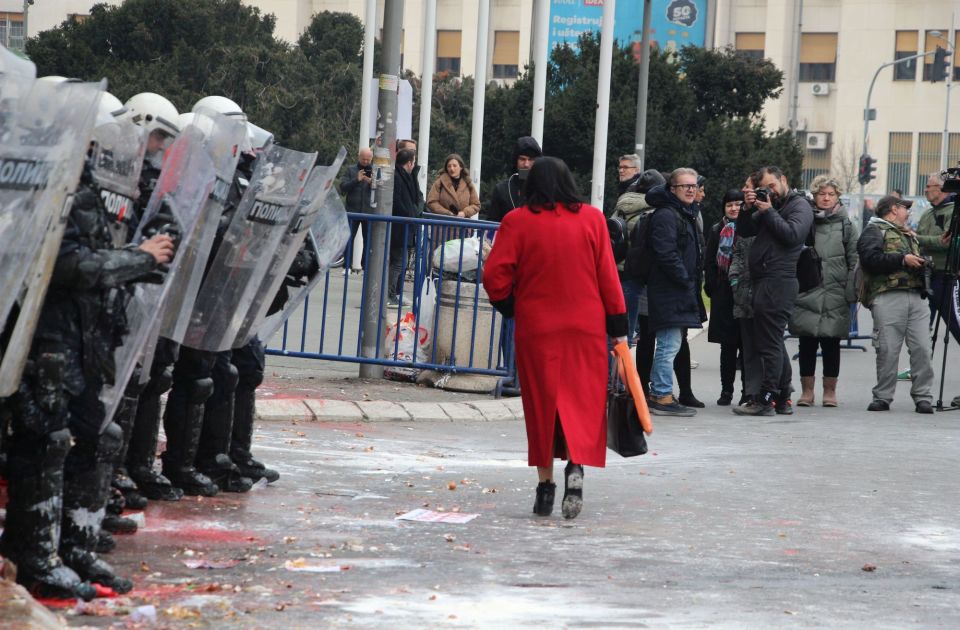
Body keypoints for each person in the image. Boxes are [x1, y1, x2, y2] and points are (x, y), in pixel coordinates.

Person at [482, 157, 627, 520]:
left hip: (538, 329)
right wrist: (619, 327)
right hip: (586, 327)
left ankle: (545, 487)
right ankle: (576, 466)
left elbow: (494, 276)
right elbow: (608, 277)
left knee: (542, 408)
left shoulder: (517, 222)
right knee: (581, 402)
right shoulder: (593, 219)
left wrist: (513, 306)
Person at [733, 166, 814, 416]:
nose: (769, 191)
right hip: (766, 282)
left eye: (772, 186)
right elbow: (745, 230)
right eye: (764, 188)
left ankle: (765, 400)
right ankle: (782, 397)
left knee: (769, 346)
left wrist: (767, 211)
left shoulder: (799, 206)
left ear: (783, 179)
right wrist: (749, 208)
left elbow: (792, 235)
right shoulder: (773, 205)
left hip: (777, 283)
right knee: (773, 342)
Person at [857, 195, 934, 413]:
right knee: (888, 349)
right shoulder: (874, 231)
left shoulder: (910, 235)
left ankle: (923, 397)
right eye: (904, 208)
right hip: (888, 296)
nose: (908, 212)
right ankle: (882, 397)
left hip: (916, 297)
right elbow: (870, 260)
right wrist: (902, 259)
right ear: (893, 209)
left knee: (922, 348)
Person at [788, 176, 858, 407]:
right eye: (822, 194)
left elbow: (854, 260)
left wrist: (850, 290)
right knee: (807, 343)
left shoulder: (846, 225)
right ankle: (807, 392)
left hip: (835, 291)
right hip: (807, 289)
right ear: (814, 196)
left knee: (831, 343)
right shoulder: (804, 221)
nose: (826, 198)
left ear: (838, 197)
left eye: (831, 194)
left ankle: (830, 392)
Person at [643, 168, 706, 416]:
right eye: (684, 186)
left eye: (694, 186)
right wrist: (685, 279)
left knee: (673, 344)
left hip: (679, 289)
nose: (691, 189)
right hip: (670, 290)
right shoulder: (667, 215)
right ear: (672, 189)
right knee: (668, 345)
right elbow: (666, 253)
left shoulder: (684, 212)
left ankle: (663, 392)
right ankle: (661, 395)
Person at [705, 188, 745, 405]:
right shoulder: (716, 229)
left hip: (745, 293)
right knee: (727, 347)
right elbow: (709, 260)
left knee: (746, 344)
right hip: (724, 294)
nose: (733, 208)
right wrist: (712, 286)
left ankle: (747, 391)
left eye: (738, 204)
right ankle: (726, 390)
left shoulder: (750, 227)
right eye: (729, 204)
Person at [916, 172, 958, 344]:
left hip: (945, 276)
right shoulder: (927, 214)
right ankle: (920, 368)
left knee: (955, 324)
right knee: (920, 329)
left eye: (928, 186)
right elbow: (932, 241)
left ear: (942, 188)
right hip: (924, 275)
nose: (925, 190)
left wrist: (917, 238)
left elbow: (946, 242)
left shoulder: (954, 212)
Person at [729, 177, 760, 407]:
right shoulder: (746, 216)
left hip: (769, 291)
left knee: (770, 347)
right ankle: (750, 393)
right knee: (747, 348)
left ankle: (778, 392)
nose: (744, 191)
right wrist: (735, 281)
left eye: (748, 187)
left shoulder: (775, 211)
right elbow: (739, 250)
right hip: (744, 292)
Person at [388, 148, 422, 306]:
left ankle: (393, 293)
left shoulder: (406, 177)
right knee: (399, 262)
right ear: (409, 163)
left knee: (400, 261)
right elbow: (396, 201)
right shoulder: (397, 177)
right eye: (413, 163)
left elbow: (416, 196)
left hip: (404, 226)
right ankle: (390, 294)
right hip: (400, 226)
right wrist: (408, 215)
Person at [483, 136, 542, 222]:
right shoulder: (502, 189)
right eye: (522, 159)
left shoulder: (544, 189)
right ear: (516, 160)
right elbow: (491, 223)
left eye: (531, 160)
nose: (526, 164)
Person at [339, 147, 374, 269]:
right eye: (363, 159)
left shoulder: (375, 171)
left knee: (368, 241)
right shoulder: (351, 169)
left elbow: (382, 191)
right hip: (352, 211)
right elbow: (343, 187)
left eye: (368, 160)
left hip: (369, 212)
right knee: (348, 239)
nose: (366, 162)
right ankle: (347, 266)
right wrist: (356, 180)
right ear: (359, 157)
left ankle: (365, 267)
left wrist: (372, 183)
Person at [426, 153, 481, 218]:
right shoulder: (439, 182)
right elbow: (431, 202)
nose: (452, 169)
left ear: (461, 167)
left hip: (462, 226)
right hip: (443, 225)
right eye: (449, 166)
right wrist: (448, 213)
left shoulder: (468, 183)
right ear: (446, 168)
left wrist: (464, 213)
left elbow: (476, 205)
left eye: (454, 166)